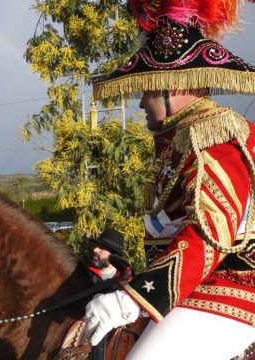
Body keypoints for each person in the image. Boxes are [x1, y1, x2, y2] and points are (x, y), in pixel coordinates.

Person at [85, 2, 255, 359]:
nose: (142, 101)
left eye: (148, 88)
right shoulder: (179, 141)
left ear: (172, 83)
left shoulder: (214, 136)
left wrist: (131, 301)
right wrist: (122, 278)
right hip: (193, 290)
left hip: (228, 290)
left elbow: (212, 237)